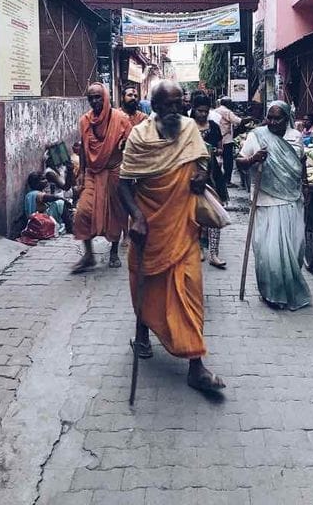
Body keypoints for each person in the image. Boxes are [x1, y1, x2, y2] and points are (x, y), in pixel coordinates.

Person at [119, 80, 225, 393]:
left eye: (179, 104)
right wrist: (136, 218)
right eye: (167, 105)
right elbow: (124, 183)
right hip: (149, 225)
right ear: (155, 105)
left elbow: (203, 162)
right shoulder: (140, 135)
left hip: (184, 224)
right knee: (146, 281)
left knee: (190, 289)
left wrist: (202, 175)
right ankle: (142, 333)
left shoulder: (190, 128)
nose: (174, 110)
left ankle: (196, 365)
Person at [236, 101, 311, 311]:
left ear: (286, 118)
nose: (272, 122)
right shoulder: (257, 135)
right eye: (269, 117)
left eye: (277, 118)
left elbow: (301, 162)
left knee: (295, 247)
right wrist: (253, 158)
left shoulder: (295, 137)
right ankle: (272, 293)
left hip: (291, 199)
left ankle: (290, 289)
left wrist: (305, 185)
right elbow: (239, 161)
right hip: (266, 199)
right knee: (269, 252)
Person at [72, 83, 132, 273]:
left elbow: (131, 143)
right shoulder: (85, 121)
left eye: (98, 97)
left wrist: (125, 143)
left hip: (115, 171)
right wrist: (81, 173)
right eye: (91, 98)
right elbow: (83, 149)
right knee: (82, 212)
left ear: (105, 97)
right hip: (92, 172)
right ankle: (89, 255)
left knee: (116, 214)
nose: (95, 101)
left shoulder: (120, 118)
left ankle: (113, 252)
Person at [191, 93, 228, 269]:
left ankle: (214, 253)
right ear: (193, 110)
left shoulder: (213, 126)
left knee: (215, 212)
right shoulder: (187, 126)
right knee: (195, 215)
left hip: (213, 175)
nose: (203, 114)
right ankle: (198, 248)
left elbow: (220, 147)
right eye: (199, 111)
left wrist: (216, 152)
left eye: (205, 111)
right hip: (192, 175)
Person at [215, 97, 250, 187]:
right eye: (230, 103)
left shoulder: (216, 110)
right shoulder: (227, 111)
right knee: (228, 162)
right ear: (227, 103)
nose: (232, 104)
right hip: (226, 140)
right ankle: (227, 181)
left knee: (217, 160)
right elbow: (238, 121)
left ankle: (218, 179)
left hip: (218, 139)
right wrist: (250, 118)